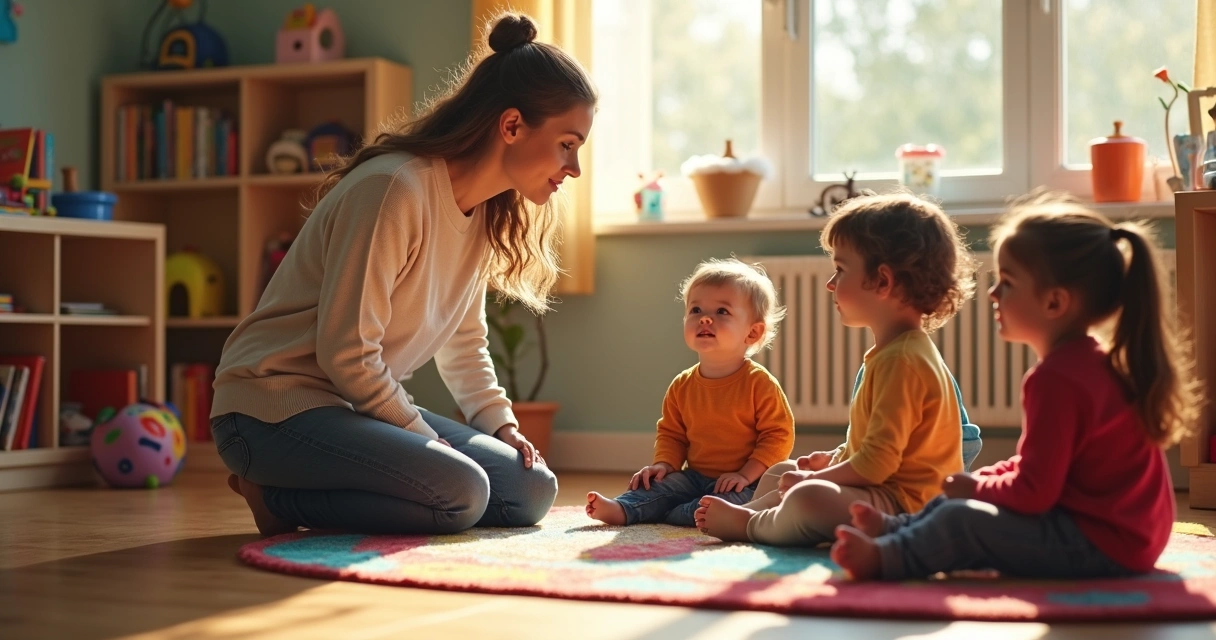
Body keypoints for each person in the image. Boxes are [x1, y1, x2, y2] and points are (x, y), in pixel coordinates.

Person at [208, 12, 597, 537]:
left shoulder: (483, 211)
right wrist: (420, 437)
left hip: (351, 409)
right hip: (270, 412)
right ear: (511, 126)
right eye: (568, 144)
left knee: (530, 490)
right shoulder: (394, 190)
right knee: (461, 492)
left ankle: (313, 494)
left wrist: (501, 426)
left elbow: (464, 341)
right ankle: (276, 499)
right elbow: (346, 352)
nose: (573, 168)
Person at [831, 193, 1202, 580]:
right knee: (959, 498)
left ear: (1055, 302)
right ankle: (897, 532)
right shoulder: (1091, 362)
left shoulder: (1056, 379)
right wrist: (982, 480)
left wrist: (976, 489)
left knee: (963, 518)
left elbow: (1032, 492)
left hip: (1101, 544)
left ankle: (889, 558)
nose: (993, 293)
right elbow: (1037, 469)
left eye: (1007, 282)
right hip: (1131, 538)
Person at [695, 192, 979, 546]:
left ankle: (751, 526)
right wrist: (831, 459)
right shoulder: (892, 352)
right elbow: (872, 445)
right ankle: (755, 513)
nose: (830, 283)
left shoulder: (902, 361)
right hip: (883, 488)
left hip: (906, 507)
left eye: (840, 270)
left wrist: (820, 478)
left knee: (808, 496)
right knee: (783, 471)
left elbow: (877, 465)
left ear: (883, 281)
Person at [585, 258, 795, 527]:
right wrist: (663, 465)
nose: (705, 318)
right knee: (657, 487)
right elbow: (672, 434)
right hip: (694, 475)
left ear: (752, 333)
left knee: (721, 505)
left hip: (747, 482)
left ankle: (679, 513)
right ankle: (623, 508)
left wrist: (745, 474)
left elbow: (778, 436)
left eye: (722, 311)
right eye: (696, 309)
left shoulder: (759, 383)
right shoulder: (682, 385)